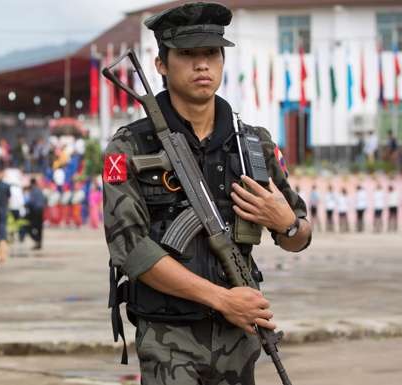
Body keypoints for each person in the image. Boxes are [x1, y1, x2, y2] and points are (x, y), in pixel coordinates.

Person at [102, 4, 312, 384]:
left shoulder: (252, 145)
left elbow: (299, 237)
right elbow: (129, 248)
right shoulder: (130, 146)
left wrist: (288, 224)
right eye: (187, 54)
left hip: (239, 335)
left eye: (211, 53)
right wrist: (221, 298)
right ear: (161, 65)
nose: (202, 65)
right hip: (169, 335)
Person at [0, 160, 11, 263]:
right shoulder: (7, 186)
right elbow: (9, 197)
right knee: (3, 233)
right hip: (3, 209)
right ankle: (3, 255)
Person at [25, 178, 46, 250]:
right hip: (41, 211)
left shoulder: (33, 191)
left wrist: (25, 205)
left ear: (31, 183)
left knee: (30, 227)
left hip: (35, 211)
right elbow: (44, 200)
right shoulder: (40, 190)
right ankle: (39, 243)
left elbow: (31, 202)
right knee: (39, 228)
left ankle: (37, 240)